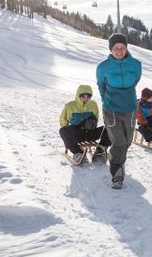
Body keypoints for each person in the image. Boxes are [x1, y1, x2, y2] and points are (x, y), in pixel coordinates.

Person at [96, 33, 142, 189]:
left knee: (127, 142)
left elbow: (136, 80)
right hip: (111, 108)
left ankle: (117, 160)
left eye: (122, 47)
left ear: (127, 48)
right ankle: (117, 172)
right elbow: (101, 85)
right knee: (119, 141)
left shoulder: (136, 64)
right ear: (111, 49)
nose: (119, 50)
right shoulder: (103, 67)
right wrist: (107, 100)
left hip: (130, 107)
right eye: (116, 48)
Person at [59, 84, 111, 164]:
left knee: (111, 128)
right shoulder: (70, 106)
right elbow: (63, 121)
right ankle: (78, 153)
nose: (86, 98)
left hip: (91, 133)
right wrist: (70, 132)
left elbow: (96, 117)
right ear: (78, 94)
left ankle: (99, 152)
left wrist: (92, 122)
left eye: (89, 96)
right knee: (63, 130)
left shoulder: (93, 104)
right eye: (83, 95)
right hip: (77, 134)